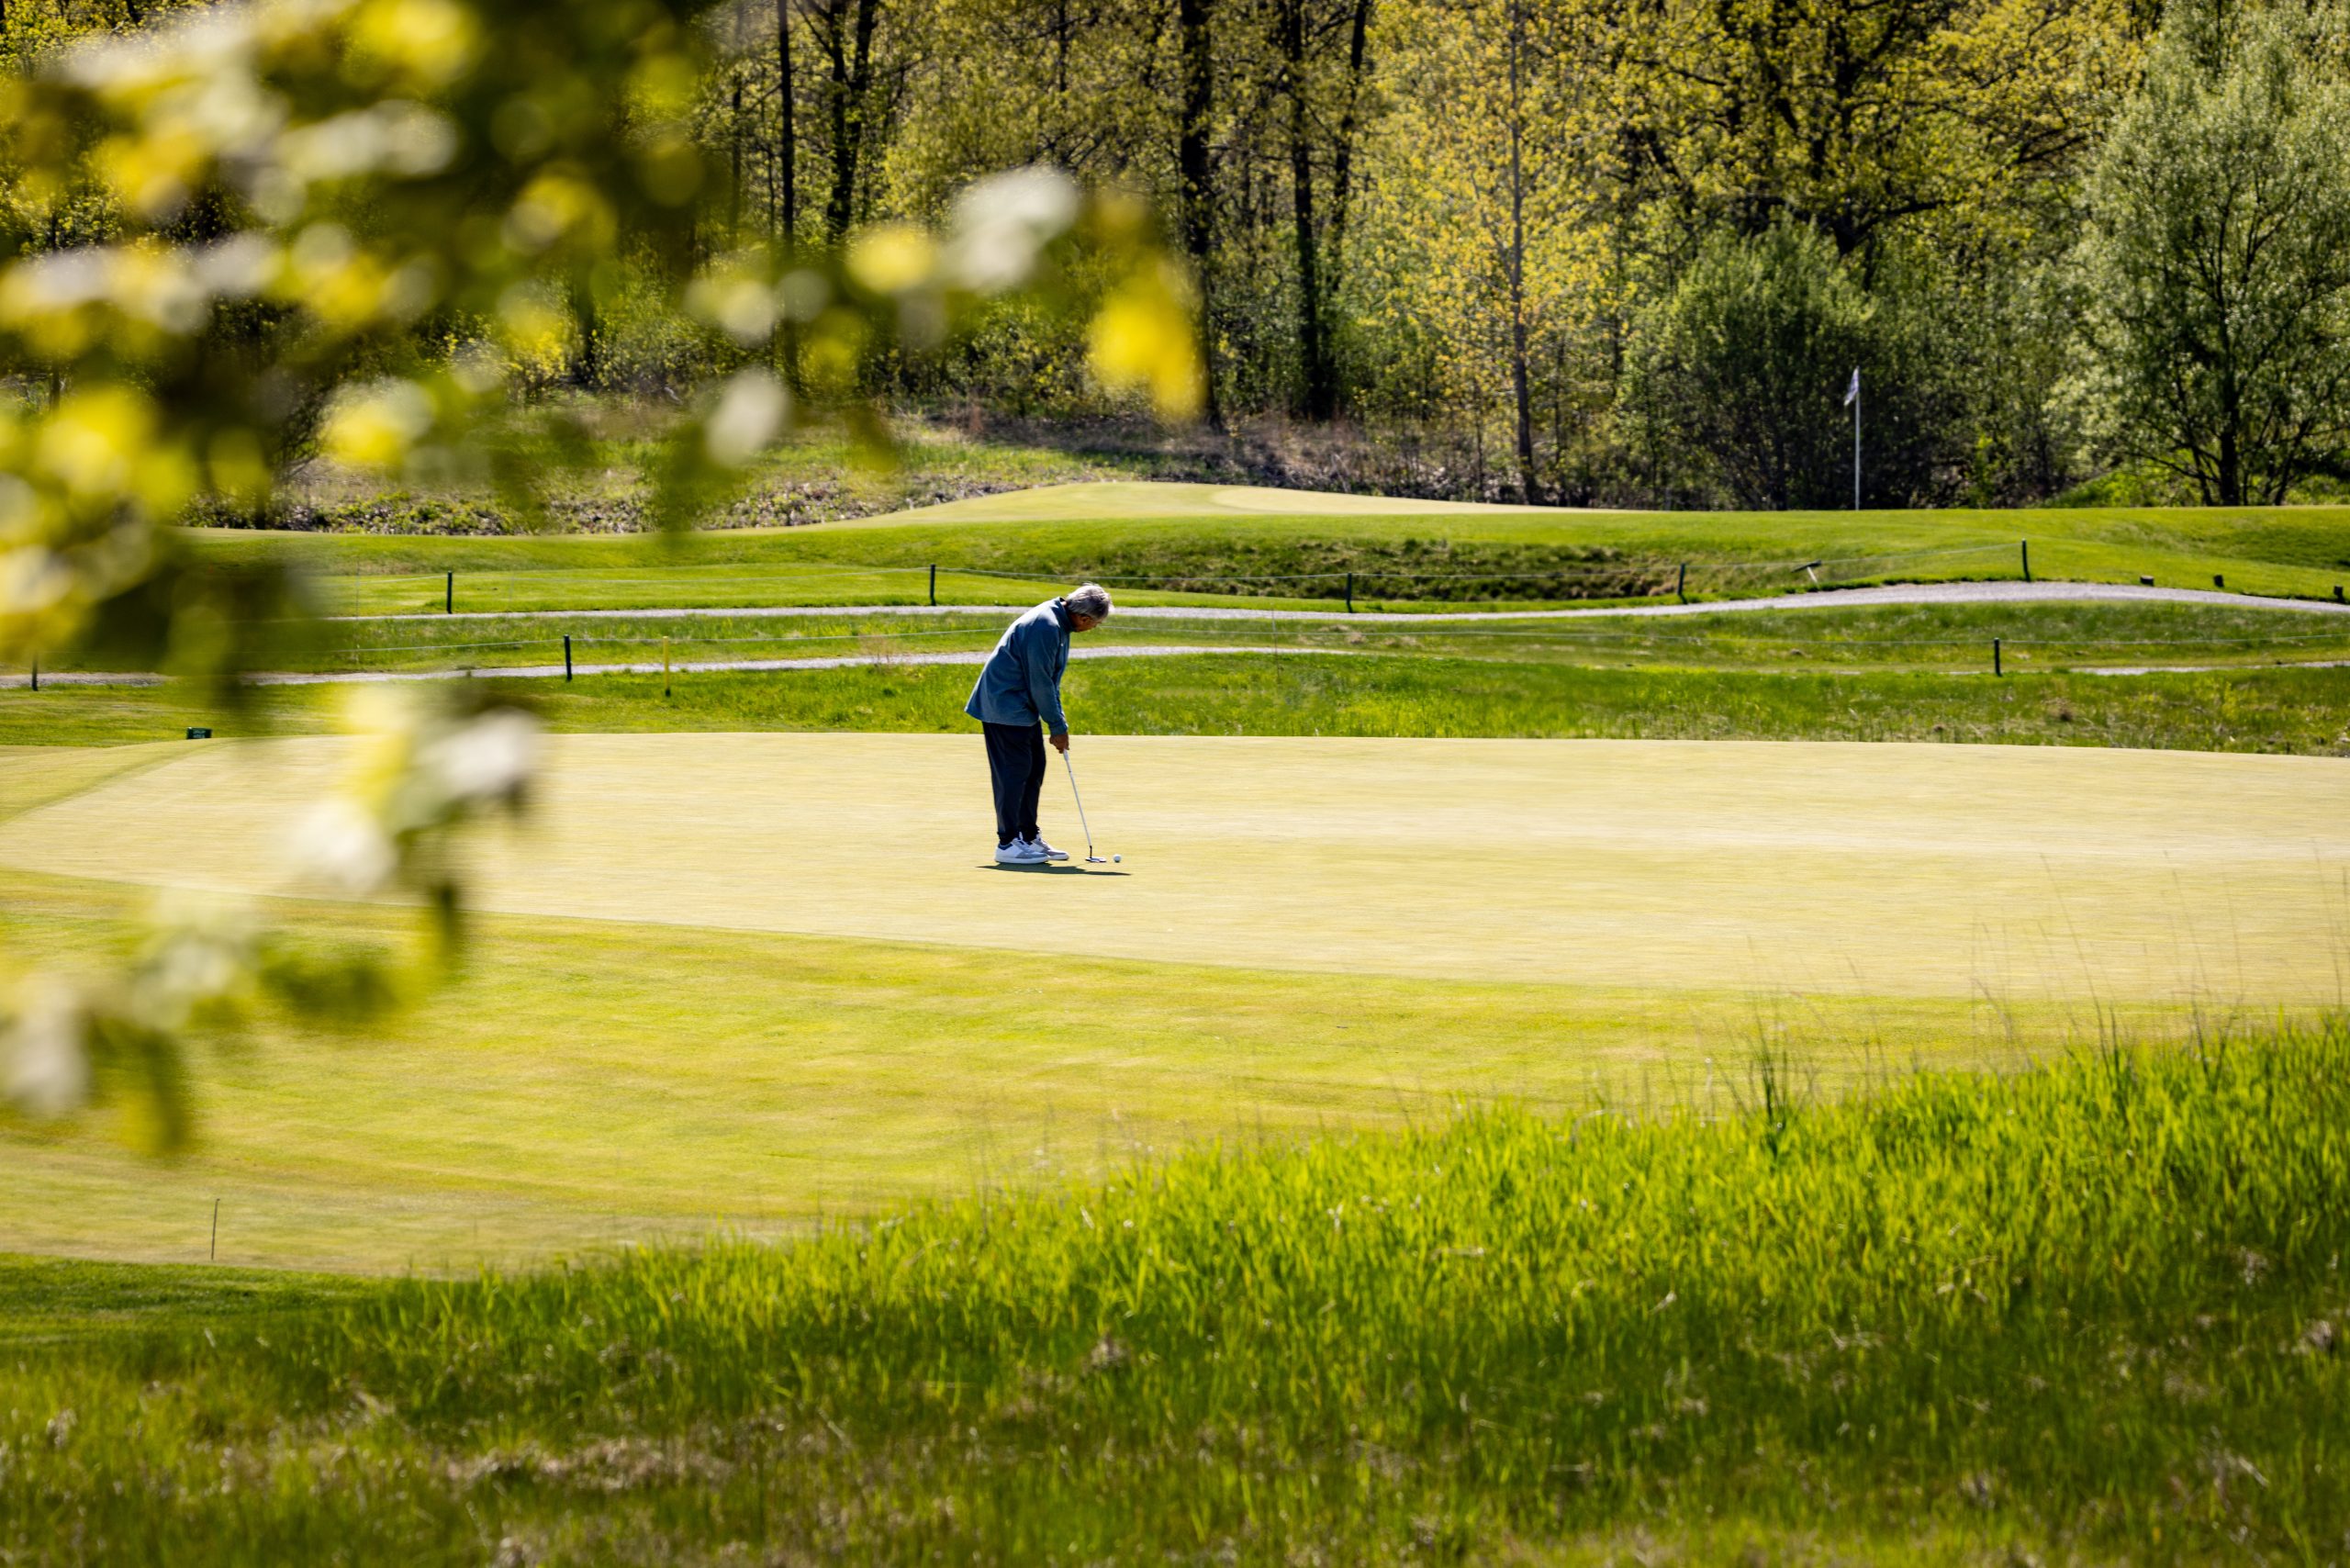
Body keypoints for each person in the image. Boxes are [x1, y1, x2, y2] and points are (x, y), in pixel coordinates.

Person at [965, 583, 1112, 865]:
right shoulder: (1045, 626)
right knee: (1014, 771)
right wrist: (1058, 726)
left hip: (1021, 706)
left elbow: (1047, 681)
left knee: (1033, 770)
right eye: (1096, 624)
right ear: (1084, 618)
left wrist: (1057, 722)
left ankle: (1028, 836)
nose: (1094, 628)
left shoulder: (1060, 623)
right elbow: (1040, 682)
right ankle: (1007, 843)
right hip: (1004, 705)